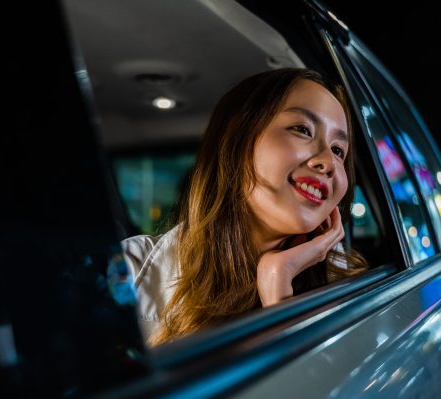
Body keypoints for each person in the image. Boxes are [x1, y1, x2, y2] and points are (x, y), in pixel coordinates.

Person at [122, 68, 367, 346]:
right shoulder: (125, 269)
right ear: (236, 142)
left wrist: (279, 287)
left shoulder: (345, 288)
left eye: (338, 150)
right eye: (302, 129)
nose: (328, 162)